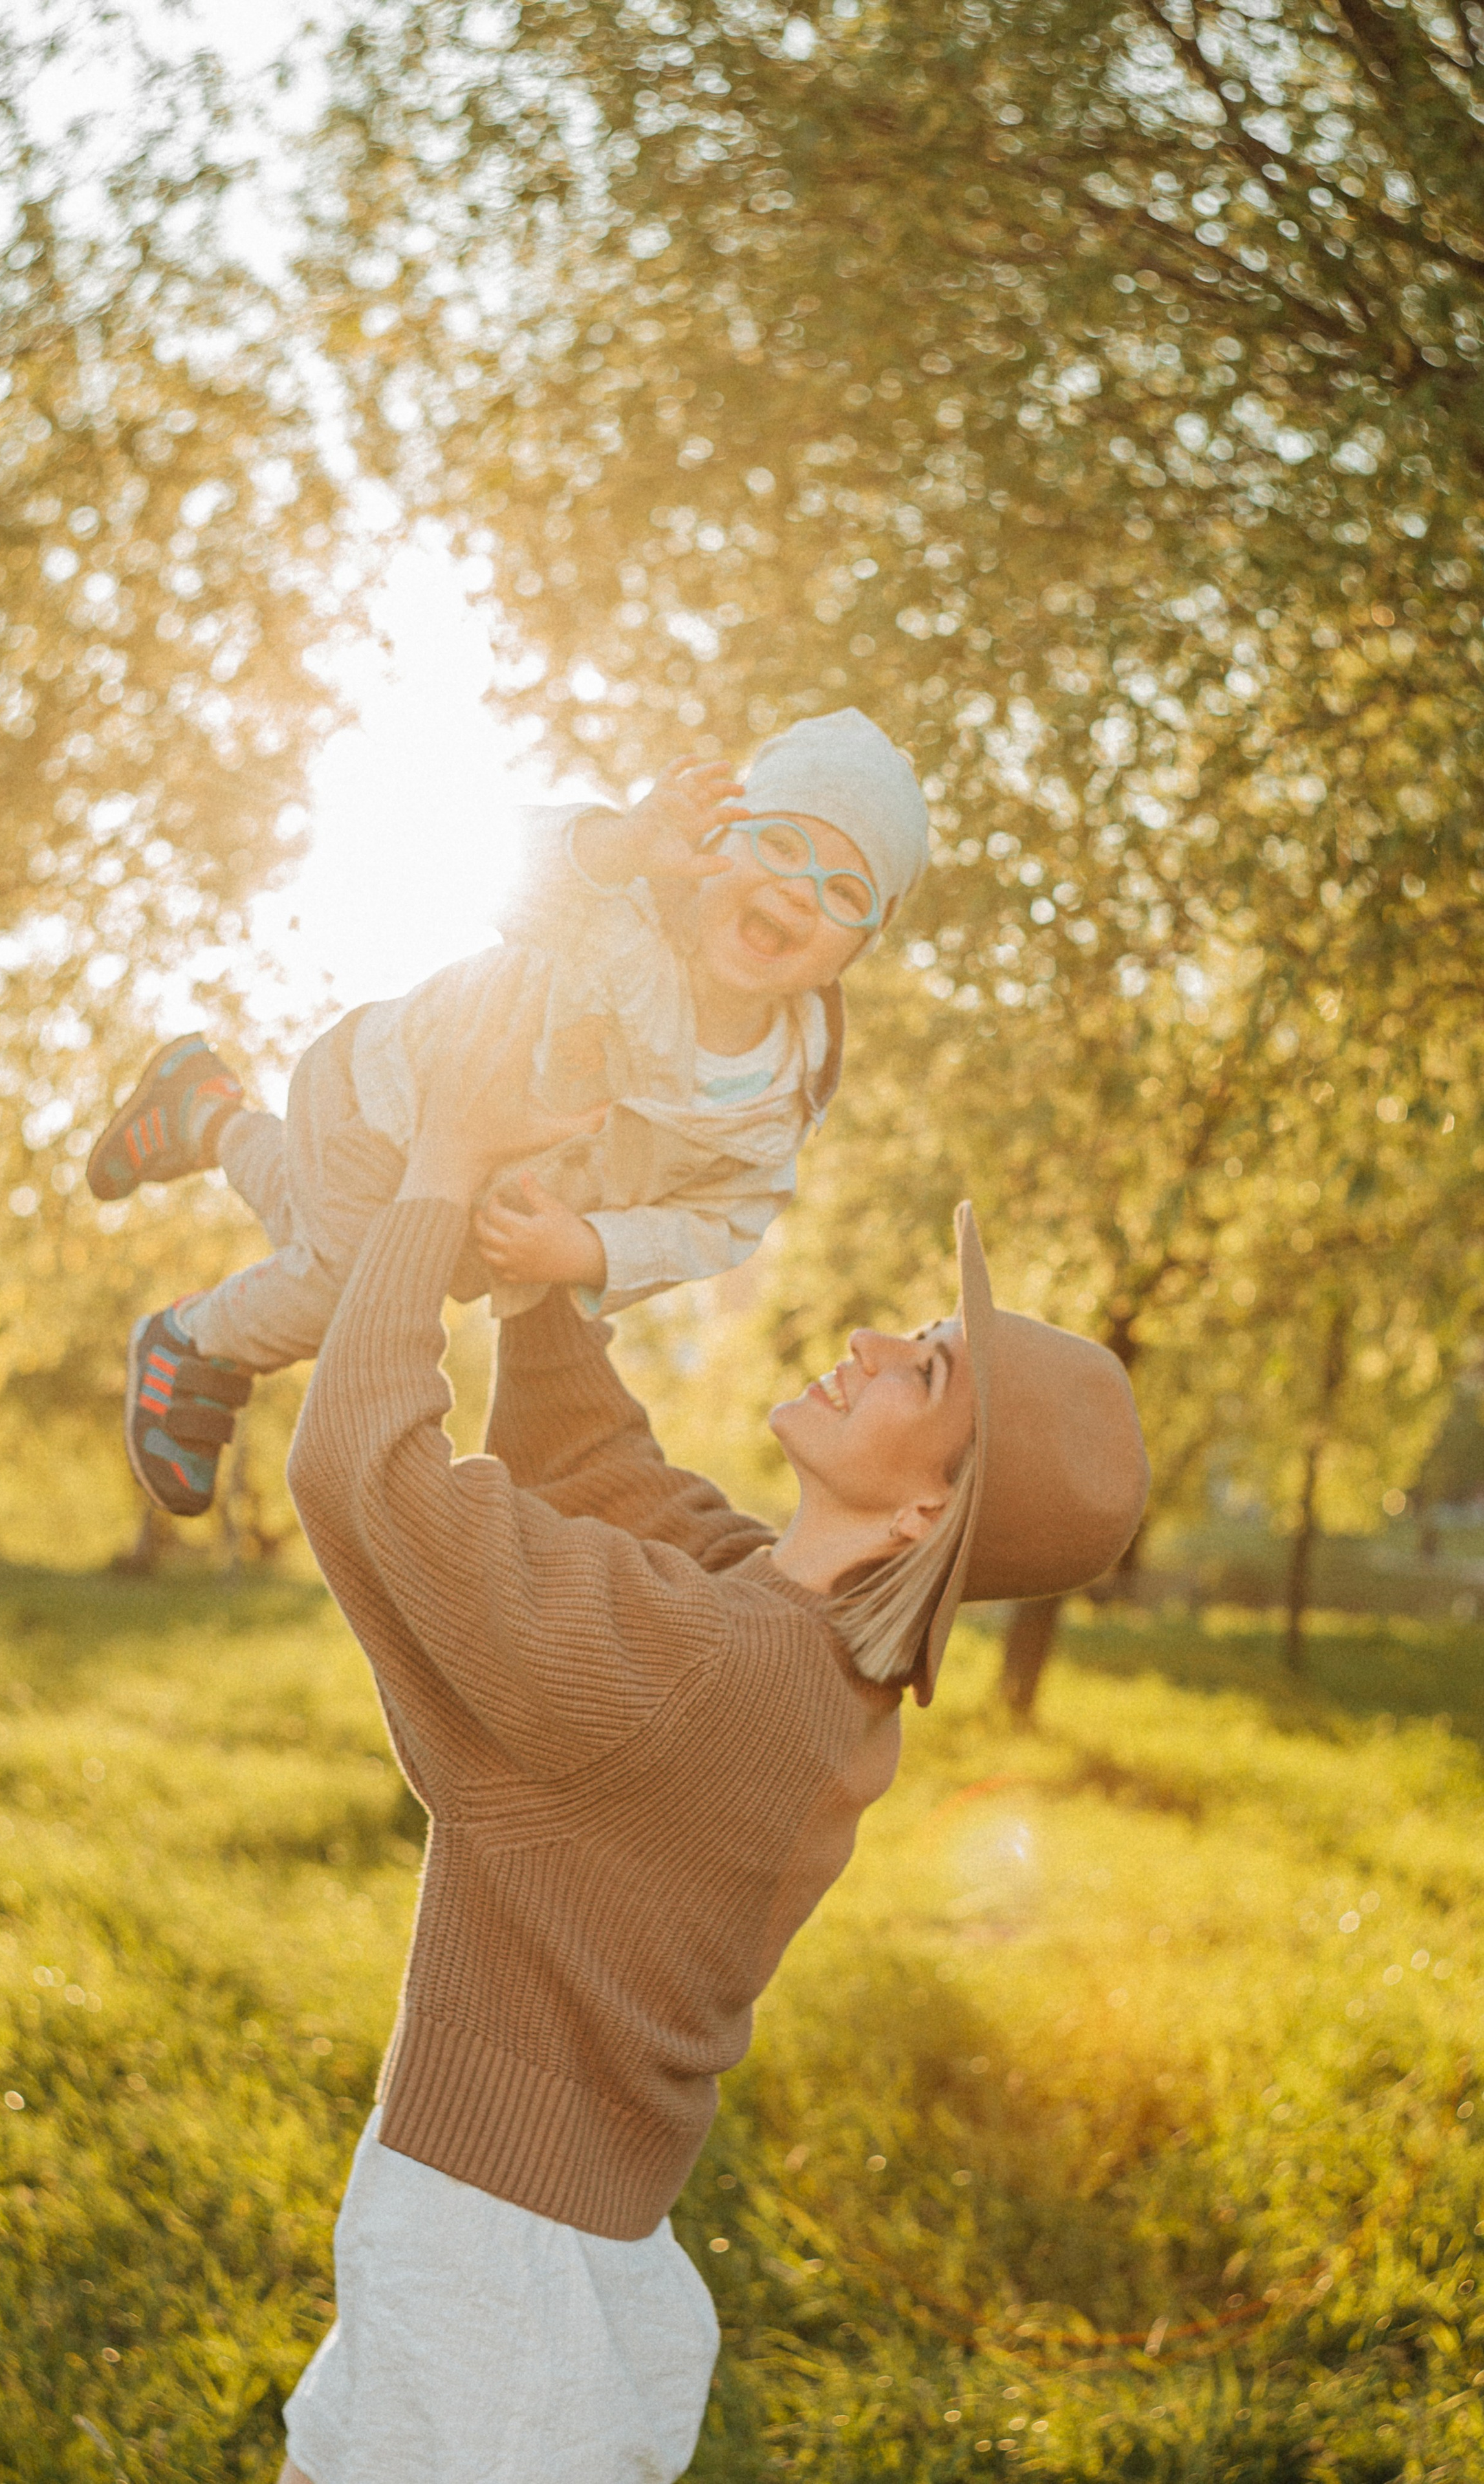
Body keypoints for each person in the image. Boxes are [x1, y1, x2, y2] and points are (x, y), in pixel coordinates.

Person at [217, 972, 1150, 2484]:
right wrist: (536, 1253)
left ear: (928, 1508)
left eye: (921, 1369)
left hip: (490, 2261)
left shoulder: (715, 1664)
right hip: (576, 2243)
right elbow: (596, 1466)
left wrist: (442, 1170)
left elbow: (360, 1469)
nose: (862, 1339)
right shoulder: (801, 1651)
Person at [85, 708, 929, 1518]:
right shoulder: (628, 914)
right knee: (355, 1294)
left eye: (845, 890)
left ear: (856, 949)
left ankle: (203, 1111)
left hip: (473, 1217)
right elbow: (503, 868)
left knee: (319, 1236)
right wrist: (621, 844)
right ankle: (192, 1342)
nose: (796, 891)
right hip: (389, 1106)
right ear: (716, 842)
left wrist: (591, 1247)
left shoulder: (781, 1101)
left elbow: (718, 1224)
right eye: (779, 844)